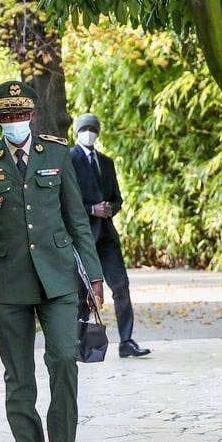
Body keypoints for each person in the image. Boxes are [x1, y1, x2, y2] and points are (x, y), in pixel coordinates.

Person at [0, 81, 104, 442]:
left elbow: (77, 219)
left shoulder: (57, 154)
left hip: (57, 279)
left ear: (32, 116)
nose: (14, 123)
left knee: (63, 360)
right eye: (6, 117)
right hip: (8, 282)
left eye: (20, 116)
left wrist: (94, 275)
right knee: (18, 376)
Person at [70, 114, 150, 358]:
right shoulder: (68, 160)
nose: (89, 132)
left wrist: (109, 208)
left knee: (121, 287)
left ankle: (126, 341)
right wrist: (91, 209)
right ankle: (82, 344)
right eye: (84, 128)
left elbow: (118, 198)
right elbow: (66, 201)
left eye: (93, 128)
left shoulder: (106, 162)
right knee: (83, 293)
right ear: (76, 131)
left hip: (106, 236)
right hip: (83, 237)